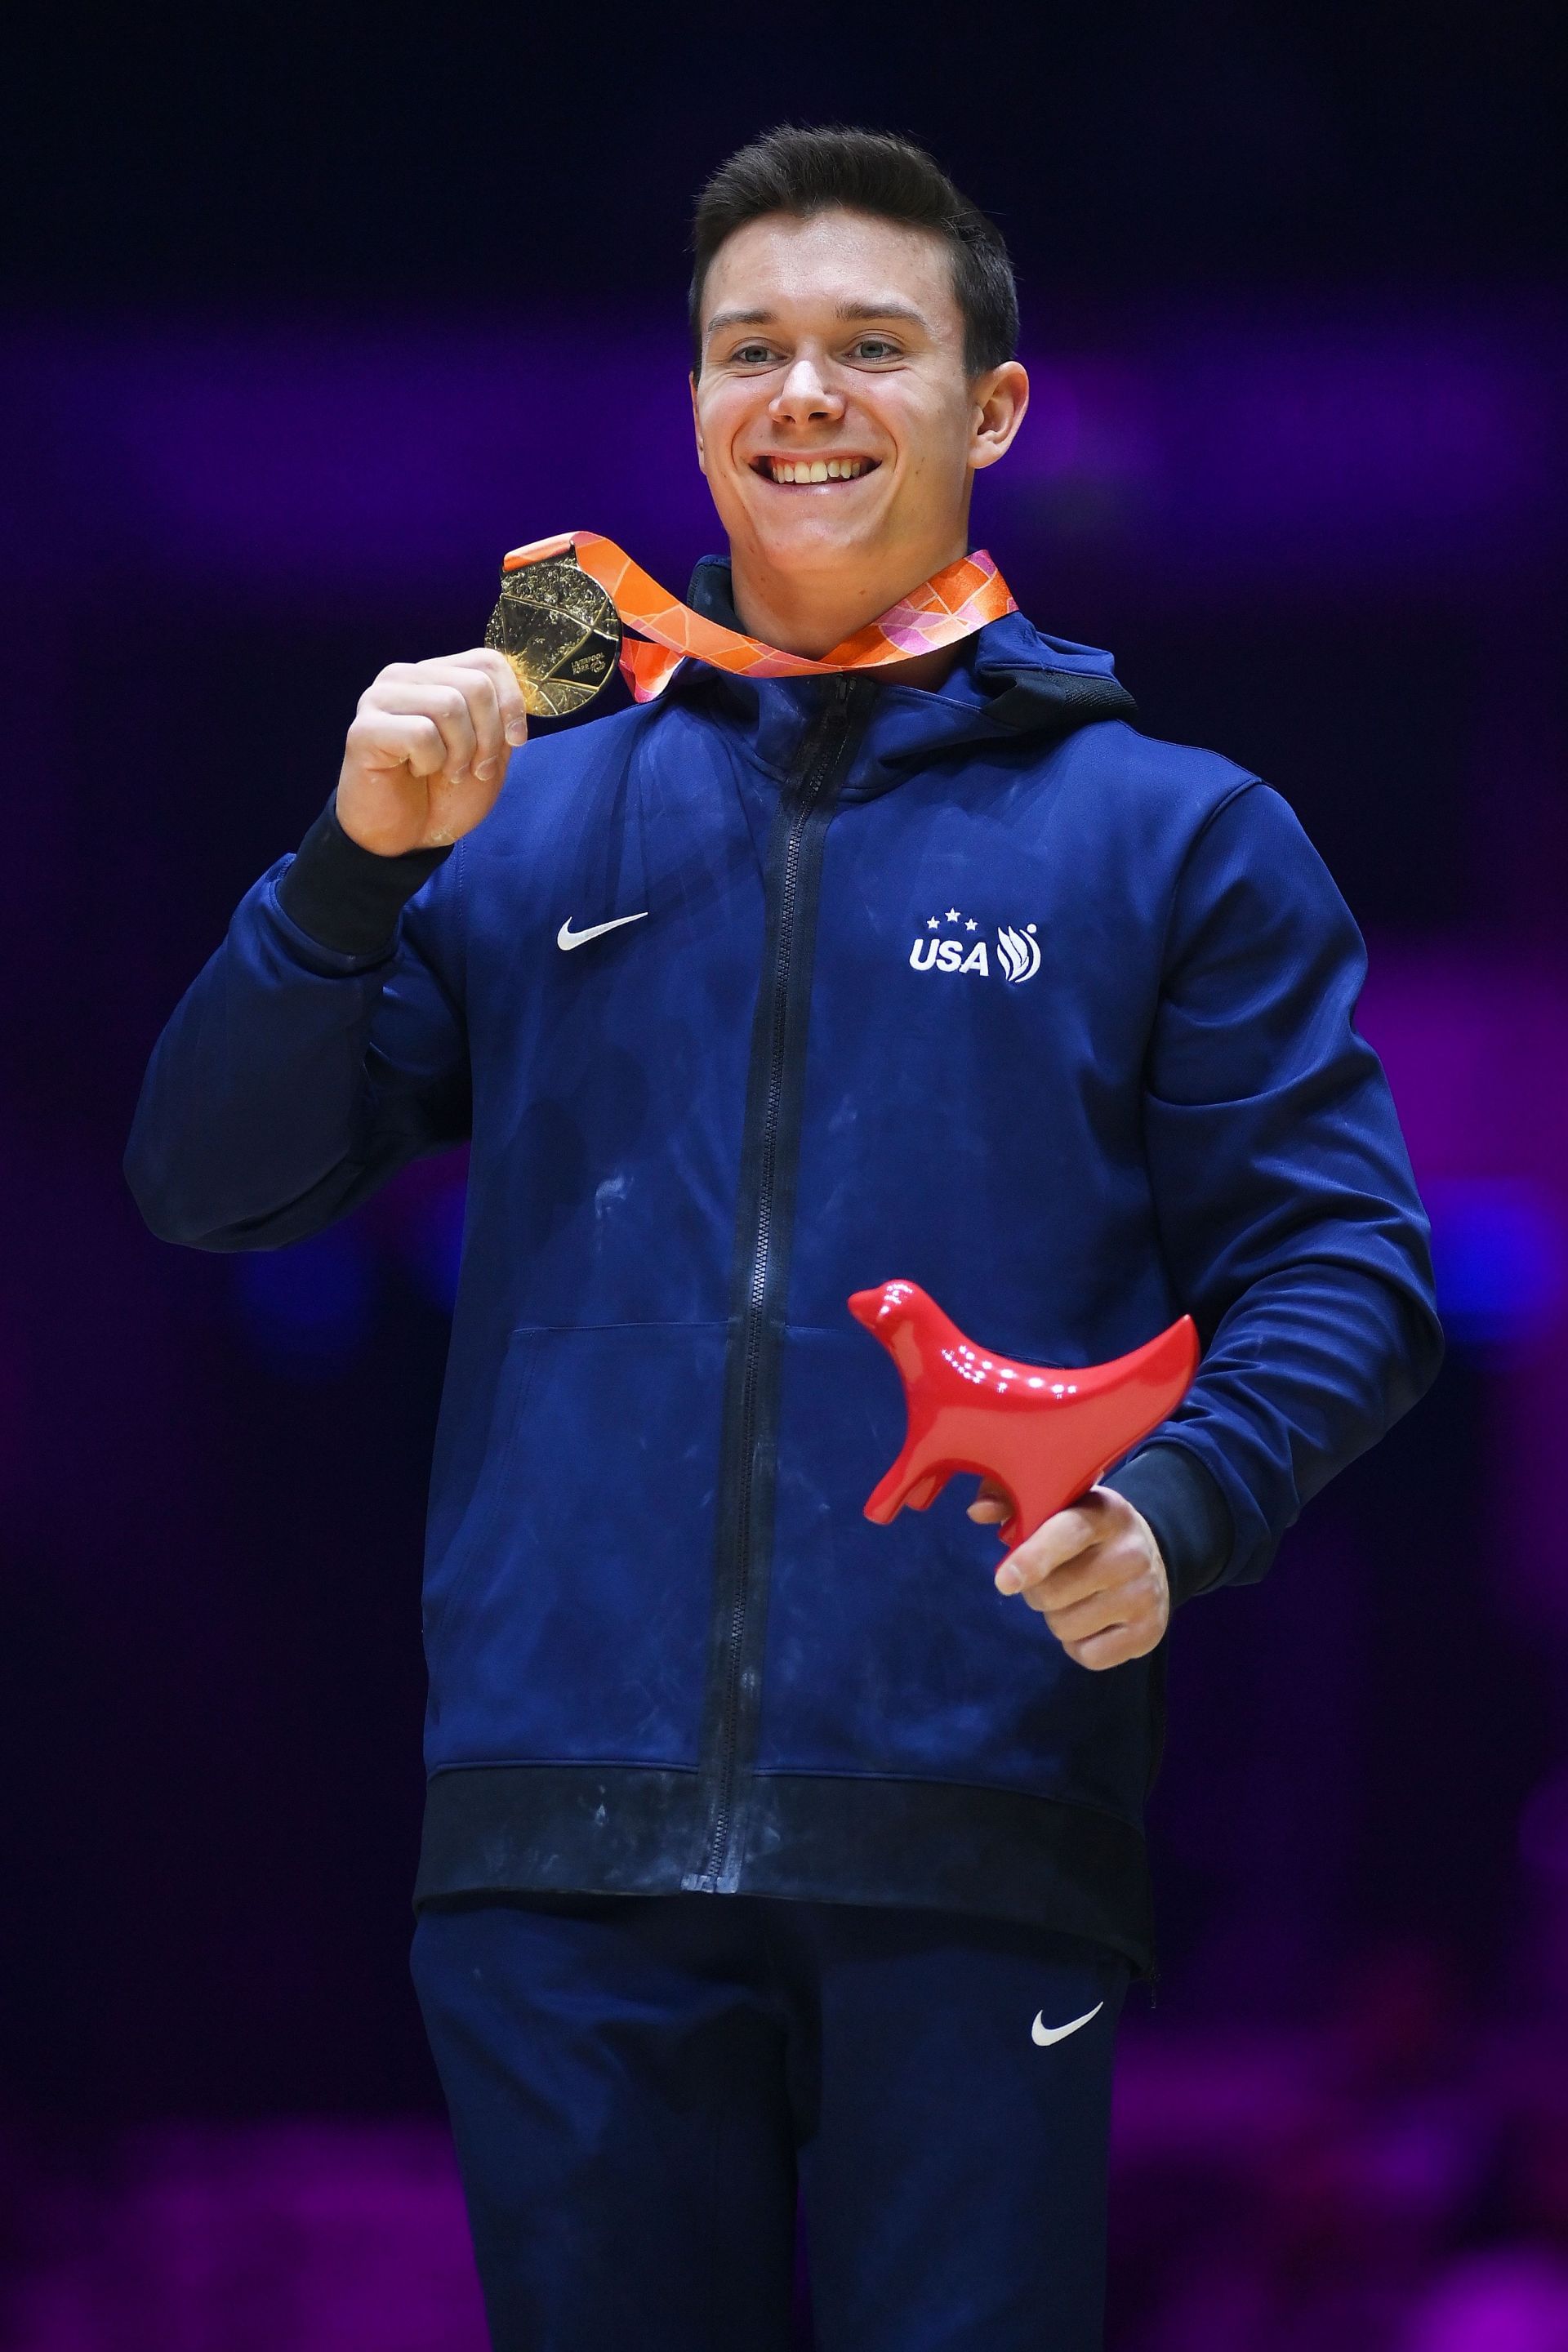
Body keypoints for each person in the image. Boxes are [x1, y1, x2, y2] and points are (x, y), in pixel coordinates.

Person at [124, 124, 1443, 2352]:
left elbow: (1351, 1271)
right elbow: (215, 1179)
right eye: (753, 349)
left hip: (978, 1822)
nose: (803, 396)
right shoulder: (528, 794)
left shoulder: (1170, 834)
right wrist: (348, 872)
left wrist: (1183, 1503)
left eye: (872, 346)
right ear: (697, 398)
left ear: (991, 409)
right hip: (558, 1849)